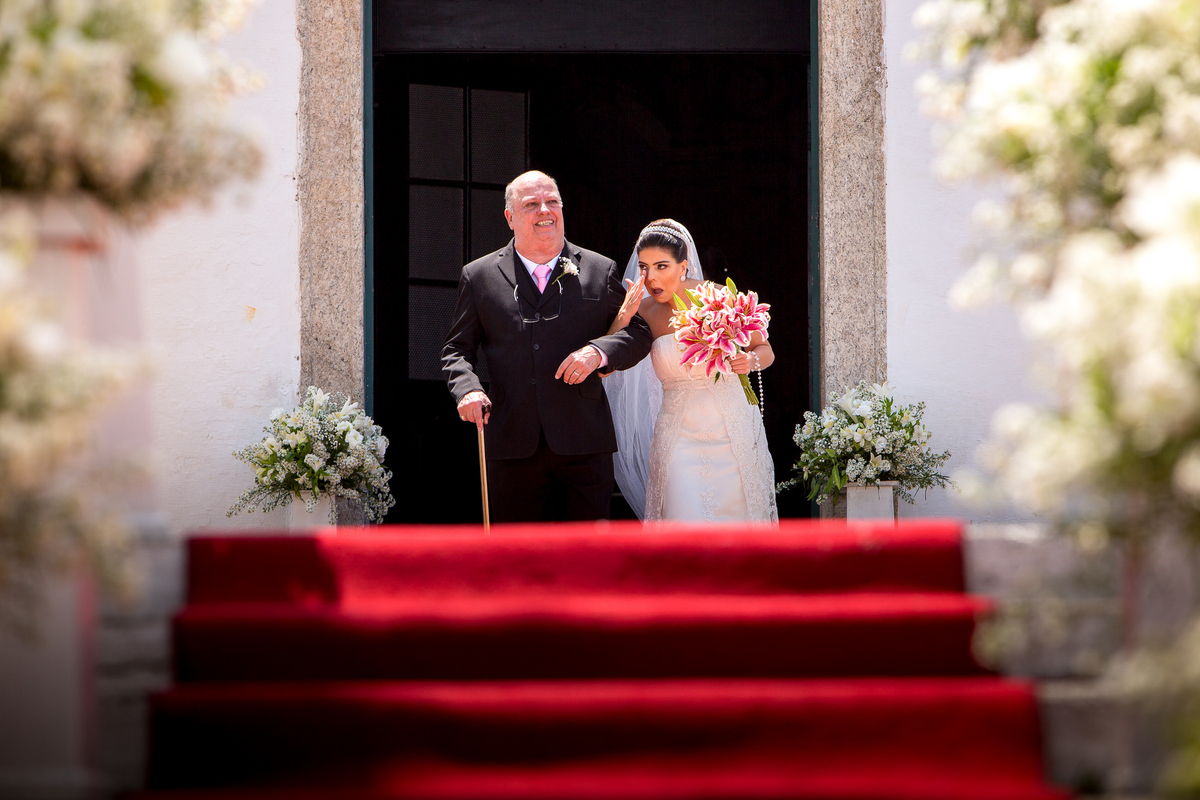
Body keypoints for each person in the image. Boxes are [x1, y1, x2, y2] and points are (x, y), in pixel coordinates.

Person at [441, 171, 653, 522]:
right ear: (510, 217)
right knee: (518, 559)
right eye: (532, 204)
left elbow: (640, 333)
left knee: (584, 558)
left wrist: (597, 352)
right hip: (512, 444)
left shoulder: (599, 270)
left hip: (584, 442)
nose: (545, 210)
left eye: (552, 201)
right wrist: (467, 390)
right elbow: (456, 349)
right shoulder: (478, 276)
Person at [603, 219, 778, 522]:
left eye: (661, 266)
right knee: (684, 518)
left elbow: (765, 350)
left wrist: (749, 362)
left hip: (732, 429)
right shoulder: (643, 310)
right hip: (678, 438)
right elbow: (609, 360)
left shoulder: (719, 298)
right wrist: (624, 314)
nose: (651, 278)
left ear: (683, 266)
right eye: (644, 268)